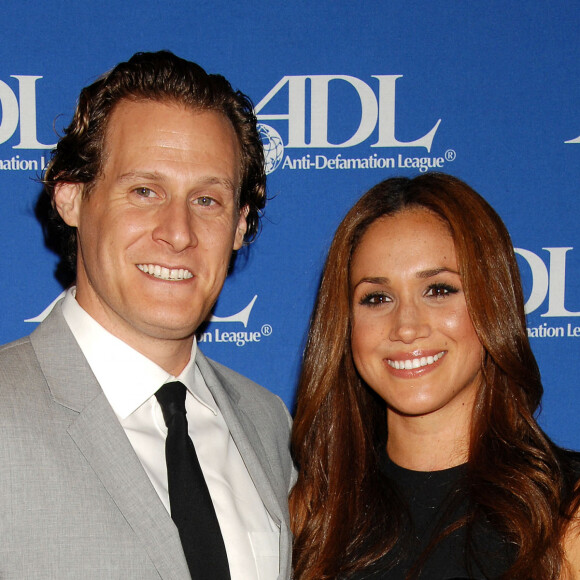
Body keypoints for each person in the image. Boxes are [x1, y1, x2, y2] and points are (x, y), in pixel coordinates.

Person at [0, 51, 294, 580]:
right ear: (70, 196)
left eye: (207, 200)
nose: (178, 232)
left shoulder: (267, 422)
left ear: (240, 226)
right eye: (144, 191)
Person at [290, 173, 580, 579]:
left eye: (439, 290)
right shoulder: (315, 513)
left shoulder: (566, 511)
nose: (406, 327)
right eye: (377, 298)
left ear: (493, 301)